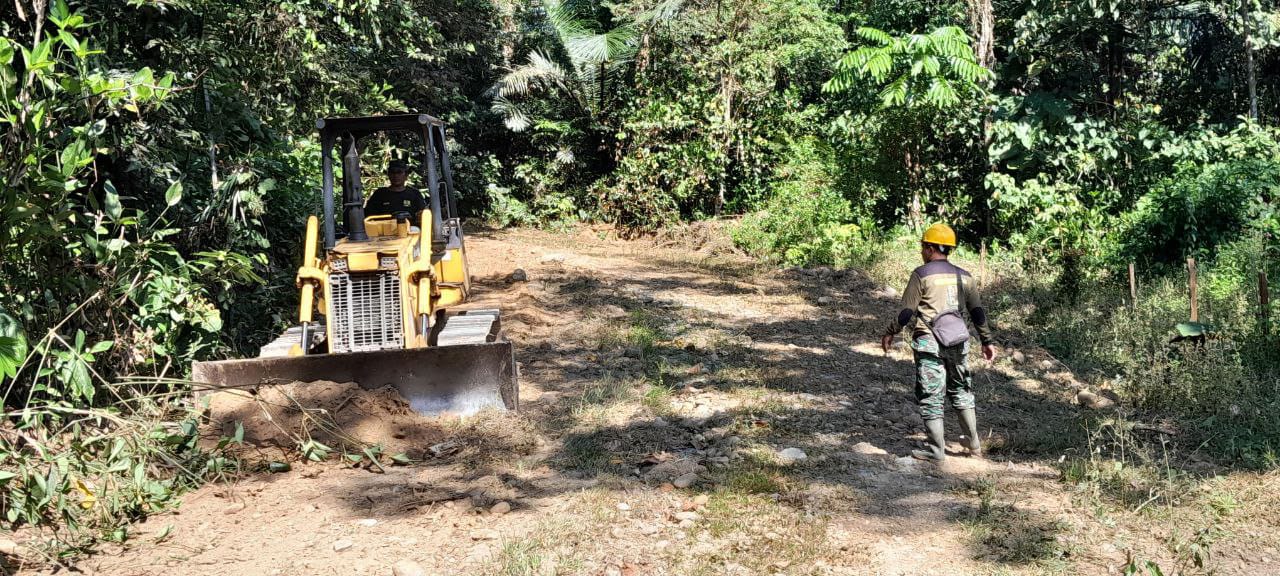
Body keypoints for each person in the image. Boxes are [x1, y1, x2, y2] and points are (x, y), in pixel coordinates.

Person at [880, 223, 996, 461]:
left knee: (932, 395)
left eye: (923, 246)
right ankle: (973, 445)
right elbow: (977, 313)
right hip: (959, 341)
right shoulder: (965, 277)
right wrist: (987, 341)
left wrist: (891, 331)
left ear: (930, 248)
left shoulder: (921, 275)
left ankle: (936, 451)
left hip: (929, 342)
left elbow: (906, 313)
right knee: (961, 390)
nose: (922, 251)